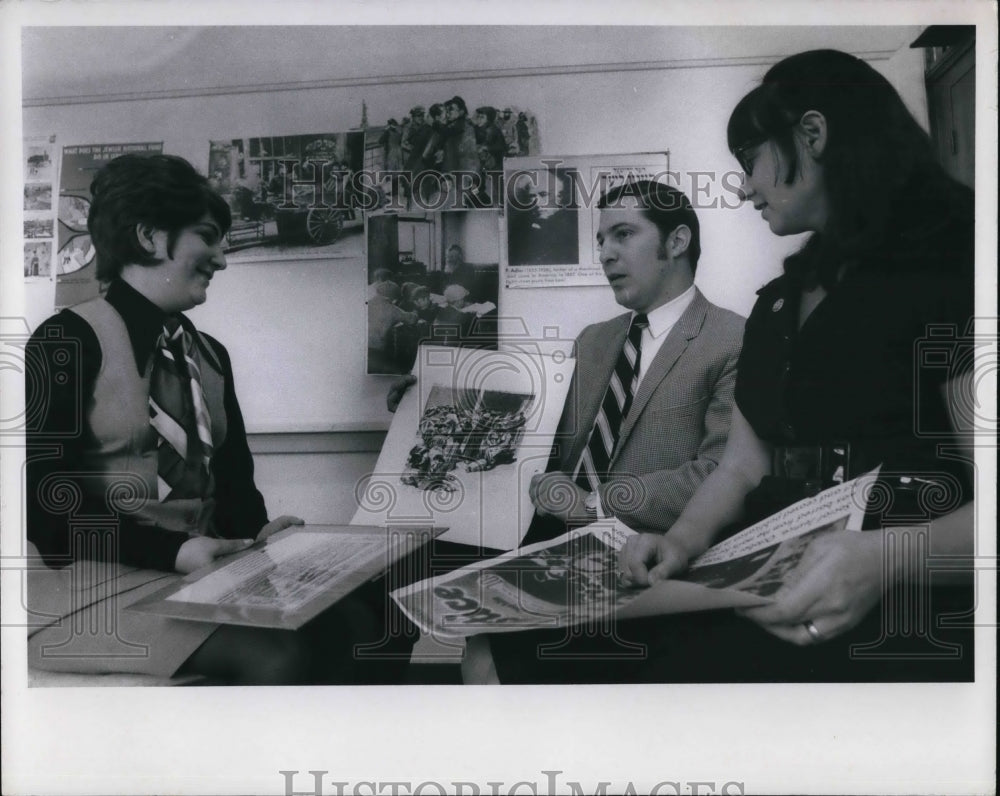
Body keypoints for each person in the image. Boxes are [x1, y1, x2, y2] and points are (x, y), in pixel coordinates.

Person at [618, 49, 975, 682]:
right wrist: (681, 541)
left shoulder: (956, 259)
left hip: (909, 604)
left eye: (751, 160)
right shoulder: (779, 301)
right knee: (497, 651)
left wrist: (887, 559)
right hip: (768, 581)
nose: (744, 186)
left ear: (812, 134)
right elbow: (741, 465)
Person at [25, 154, 416, 684]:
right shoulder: (63, 340)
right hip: (94, 582)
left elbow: (233, 488)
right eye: (208, 237)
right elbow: (43, 507)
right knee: (279, 658)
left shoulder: (209, 354)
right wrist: (174, 550)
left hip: (198, 573)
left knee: (378, 623)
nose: (222, 259)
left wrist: (260, 534)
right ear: (148, 236)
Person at [479, 179, 745, 682]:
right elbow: (546, 438)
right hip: (551, 544)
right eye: (601, 240)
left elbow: (718, 472)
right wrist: (441, 393)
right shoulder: (595, 340)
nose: (605, 254)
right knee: (478, 647)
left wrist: (594, 506)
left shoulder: (732, 340)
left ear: (678, 241)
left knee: (506, 665)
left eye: (623, 235)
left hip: (645, 562)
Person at [506, 169, 579, 265]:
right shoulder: (519, 228)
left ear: (559, 196)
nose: (536, 203)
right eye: (532, 196)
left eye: (543, 194)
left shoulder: (573, 228)